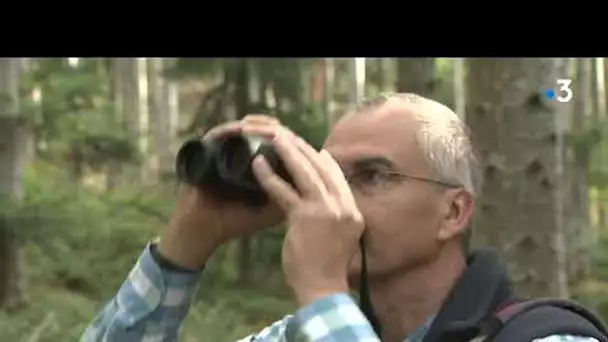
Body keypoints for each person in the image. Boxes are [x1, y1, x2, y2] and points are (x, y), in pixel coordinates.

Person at [81, 93, 605, 342]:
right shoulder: (302, 335)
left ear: (453, 211)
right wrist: (186, 242)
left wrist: (324, 291)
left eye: (372, 175)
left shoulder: (550, 340)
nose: (337, 200)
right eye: (327, 174)